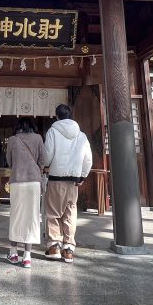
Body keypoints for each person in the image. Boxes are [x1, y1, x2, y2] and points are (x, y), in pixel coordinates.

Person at [43, 104, 93, 264]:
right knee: (70, 213)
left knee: (53, 213)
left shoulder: (52, 131)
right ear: (70, 116)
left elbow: (48, 154)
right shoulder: (81, 135)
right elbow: (88, 159)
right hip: (73, 181)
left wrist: (44, 165)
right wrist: (82, 175)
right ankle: (68, 249)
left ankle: (54, 247)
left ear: (57, 116)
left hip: (56, 178)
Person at [5, 117, 48, 268]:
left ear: (18, 127)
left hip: (17, 180)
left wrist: (19, 166)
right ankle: (27, 256)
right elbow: (44, 159)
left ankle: (13, 253)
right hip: (34, 182)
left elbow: (9, 161)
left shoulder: (12, 140)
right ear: (32, 127)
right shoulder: (38, 138)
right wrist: (36, 169)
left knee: (16, 215)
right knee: (32, 217)